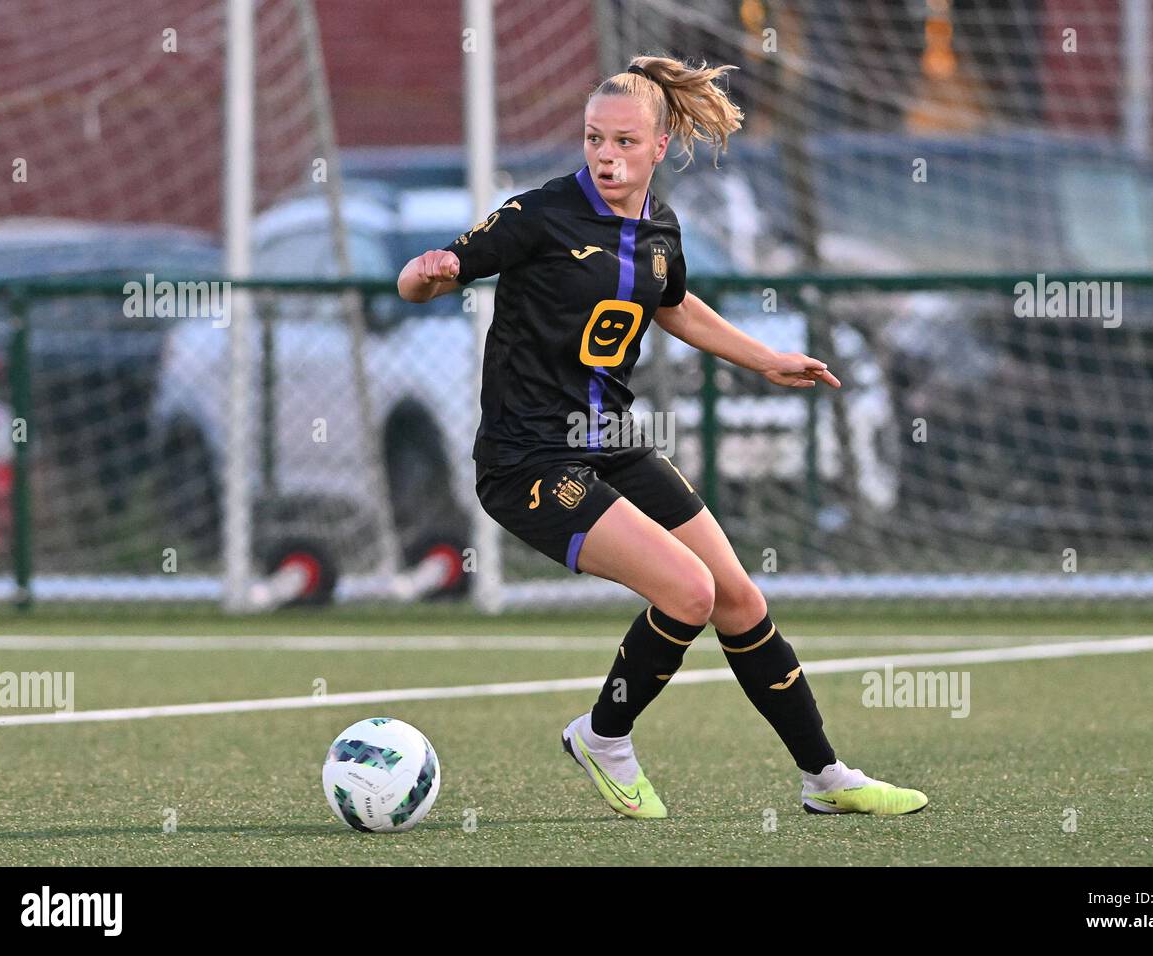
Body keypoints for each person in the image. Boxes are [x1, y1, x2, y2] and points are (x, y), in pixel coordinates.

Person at [397, 55, 927, 819]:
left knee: (739, 598)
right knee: (688, 592)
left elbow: (674, 305)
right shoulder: (537, 216)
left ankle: (825, 777)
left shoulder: (659, 227)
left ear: (660, 143)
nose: (606, 156)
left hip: (612, 440)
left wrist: (767, 357)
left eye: (622, 142)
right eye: (593, 139)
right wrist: (427, 272)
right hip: (529, 460)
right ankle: (603, 737)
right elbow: (434, 277)